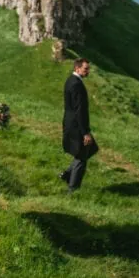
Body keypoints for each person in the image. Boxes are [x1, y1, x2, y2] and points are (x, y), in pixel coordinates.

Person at [61, 57, 97, 194]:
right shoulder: (77, 85)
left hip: (70, 122)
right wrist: (85, 133)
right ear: (77, 68)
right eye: (86, 69)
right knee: (82, 156)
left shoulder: (71, 80)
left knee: (91, 148)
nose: (88, 71)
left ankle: (67, 175)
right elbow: (79, 111)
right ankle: (72, 188)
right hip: (76, 125)